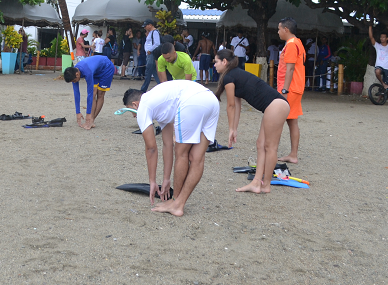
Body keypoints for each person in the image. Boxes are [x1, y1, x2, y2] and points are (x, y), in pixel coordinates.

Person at [123, 80, 219, 216]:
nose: (134, 116)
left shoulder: (143, 106)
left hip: (192, 101)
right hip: (211, 100)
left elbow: (151, 148)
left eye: (132, 112)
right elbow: (167, 145)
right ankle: (179, 203)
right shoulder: (160, 104)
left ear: (135, 104)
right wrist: (166, 179)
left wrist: (152, 181)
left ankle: (176, 202)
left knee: (182, 153)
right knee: (196, 157)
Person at [214, 48, 290, 194]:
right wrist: (234, 129)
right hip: (273, 106)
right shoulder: (233, 75)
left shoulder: (229, 77)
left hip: (276, 105)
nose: (215, 65)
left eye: (216, 62)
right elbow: (236, 105)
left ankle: (266, 185)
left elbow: (230, 106)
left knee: (270, 146)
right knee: (260, 144)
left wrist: (231, 129)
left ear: (224, 62)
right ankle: (256, 182)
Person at [276, 17, 306, 165]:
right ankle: (292, 154)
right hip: (294, 87)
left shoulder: (292, 45)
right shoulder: (296, 42)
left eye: (279, 29)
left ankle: (272, 151)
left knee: (279, 120)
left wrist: (284, 90)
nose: (278, 32)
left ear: (286, 29)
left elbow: (290, 68)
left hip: (290, 88)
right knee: (292, 121)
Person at [64, 55, 115, 130]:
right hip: (96, 70)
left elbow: (89, 94)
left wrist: (88, 114)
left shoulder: (87, 72)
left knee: (100, 94)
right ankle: (90, 119)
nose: (74, 82)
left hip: (106, 68)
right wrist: (78, 112)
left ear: (77, 74)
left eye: (74, 81)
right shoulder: (74, 73)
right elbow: (76, 93)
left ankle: (91, 120)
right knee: (94, 92)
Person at [140, 19, 161, 92]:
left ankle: (143, 89)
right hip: (150, 54)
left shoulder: (154, 32)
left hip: (151, 54)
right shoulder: (152, 32)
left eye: (146, 26)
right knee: (154, 71)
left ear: (150, 25)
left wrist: (150, 50)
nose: (145, 27)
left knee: (148, 72)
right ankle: (161, 84)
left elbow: (157, 43)